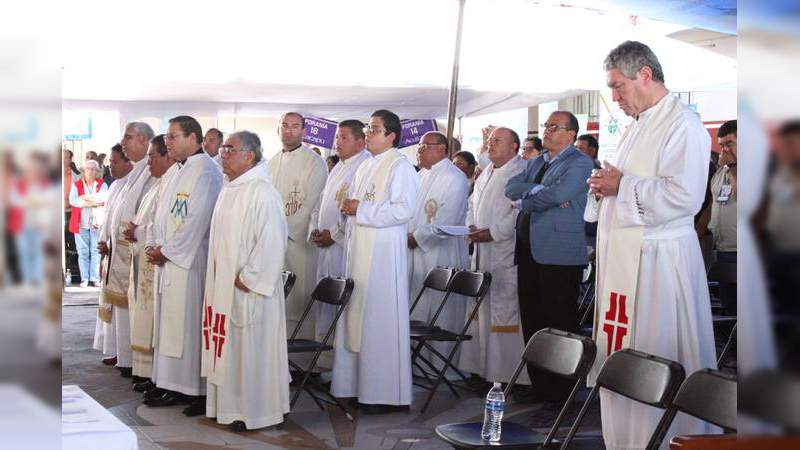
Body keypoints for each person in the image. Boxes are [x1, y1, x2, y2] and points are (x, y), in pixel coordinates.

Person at [586, 41, 718, 448]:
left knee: (655, 358)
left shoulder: (683, 124)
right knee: (624, 358)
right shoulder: (639, 124)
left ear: (644, 74)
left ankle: (666, 441)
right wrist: (604, 186)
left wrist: (621, 186)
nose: (615, 97)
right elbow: (623, 184)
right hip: (629, 260)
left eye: (617, 86)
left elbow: (685, 197)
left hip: (660, 264)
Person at [202, 131, 290, 431]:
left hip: (247, 290)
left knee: (250, 352)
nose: (223, 154)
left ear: (249, 155)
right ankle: (226, 408)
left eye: (229, 149)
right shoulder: (230, 188)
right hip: (223, 287)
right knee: (230, 351)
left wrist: (249, 278)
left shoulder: (262, 192)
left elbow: (272, 242)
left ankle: (254, 412)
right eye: (223, 148)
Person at [332, 109, 418, 413]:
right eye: (368, 128)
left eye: (375, 129)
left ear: (392, 135)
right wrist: (350, 210)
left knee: (378, 321)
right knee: (358, 317)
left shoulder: (400, 166)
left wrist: (361, 209)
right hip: (360, 250)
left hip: (382, 256)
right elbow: (354, 204)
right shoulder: (366, 166)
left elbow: (403, 210)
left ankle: (384, 393)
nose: (368, 133)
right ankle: (355, 386)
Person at [505, 112, 593, 403]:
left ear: (570, 135)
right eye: (546, 126)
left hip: (558, 253)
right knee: (533, 320)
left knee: (560, 321)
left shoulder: (579, 162)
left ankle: (564, 389)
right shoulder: (537, 162)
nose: (547, 131)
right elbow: (510, 187)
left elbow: (561, 195)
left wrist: (527, 199)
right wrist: (538, 190)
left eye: (554, 127)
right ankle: (540, 385)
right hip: (528, 249)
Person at [144, 115, 222, 417]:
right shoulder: (176, 171)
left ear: (194, 138)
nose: (168, 142)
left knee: (187, 325)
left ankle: (194, 388)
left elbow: (197, 221)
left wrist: (169, 251)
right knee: (169, 325)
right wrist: (153, 244)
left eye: (173, 136)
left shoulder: (206, 172)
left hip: (189, 263)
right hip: (168, 259)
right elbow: (159, 214)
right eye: (167, 137)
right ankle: (170, 383)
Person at [459, 127, 531, 387]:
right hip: (481, 250)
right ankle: (481, 369)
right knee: (481, 311)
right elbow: (471, 204)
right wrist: (470, 226)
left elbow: (519, 212)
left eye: (497, 141)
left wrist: (494, 232)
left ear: (514, 146)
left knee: (504, 314)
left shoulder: (522, 171)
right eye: (489, 141)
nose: (491, 145)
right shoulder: (486, 172)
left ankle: (505, 376)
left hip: (504, 251)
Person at [408, 131, 470, 377]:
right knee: (418, 307)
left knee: (440, 310)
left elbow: (448, 219)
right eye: (419, 146)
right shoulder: (420, 175)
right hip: (414, 251)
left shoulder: (455, 178)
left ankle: (441, 368)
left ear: (442, 149)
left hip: (440, 253)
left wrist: (417, 237)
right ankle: (418, 365)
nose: (419, 151)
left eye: (425, 146)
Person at [98, 122, 155, 379]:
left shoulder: (149, 171)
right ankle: (127, 358)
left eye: (128, 137)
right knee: (124, 307)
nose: (124, 142)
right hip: (124, 247)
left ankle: (135, 363)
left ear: (143, 140)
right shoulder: (137, 172)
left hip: (139, 247)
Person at [267, 112, 328, 344]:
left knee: (297, 297)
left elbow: (312, 204)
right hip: (272, 242)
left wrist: (282, 231)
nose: (289, 130)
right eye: (285, 125)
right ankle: (276, 355)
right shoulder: (271, 162)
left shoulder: (314, 162)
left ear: (304, 131)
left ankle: (302, 364)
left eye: (295, 126)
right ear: (279, 129)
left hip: (298, 241)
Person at [310, 120, 370, 354]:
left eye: (343, 137)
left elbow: (356, 210)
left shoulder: (364, 166)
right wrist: (314, 228)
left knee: (339, 302)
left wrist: (333, 235)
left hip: (342, 247)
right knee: (325, 305)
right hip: (325, 245)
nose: (338, 142)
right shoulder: (338, 166)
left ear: (360, 141)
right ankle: (321, 360)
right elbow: (322, 202)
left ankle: (335, 364)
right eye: (337, 137)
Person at [123, 135, 176, 392]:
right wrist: (135, 230)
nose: (149, 162)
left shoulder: (171, 185)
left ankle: (152, 374)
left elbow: (162, 227)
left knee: (154, 320)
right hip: (146, 258)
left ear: (167, 156)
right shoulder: (158, 184)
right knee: (144, 316)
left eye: (153, 156)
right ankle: (145, 372)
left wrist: (138, 231)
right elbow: (148, 222)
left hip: (158, 261)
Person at [93, 144, 133, 366]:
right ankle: (114, 349)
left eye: (115, 162)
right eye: (109, 162)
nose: (111, 166)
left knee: (122, 307)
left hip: (121, 254)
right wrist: (103, 241)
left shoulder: (134, 186)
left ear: (128, 163)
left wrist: (111, 243)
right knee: (111, 305)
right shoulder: (115, 186)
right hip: (109, 250)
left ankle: (124, 353)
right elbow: (109, 219)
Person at [708, 120, 737, 314]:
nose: (725, 149)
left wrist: (734, 168)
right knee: (728, 309)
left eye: (730, 143)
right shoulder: (721, 172)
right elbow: (714, 204)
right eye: (722, 145)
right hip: (722, 249)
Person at [68, 160, 107, 287]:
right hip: (80, 223)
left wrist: (85, 199)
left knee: (96, 251)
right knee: (82, 251)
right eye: (88, 169)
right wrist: (93, 202)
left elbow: (104, 199)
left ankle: (94, 278)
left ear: (97, 171)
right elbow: (73, 201)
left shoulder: (102, 184)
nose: (91, 171)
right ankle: (84, 278)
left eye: (93, 169)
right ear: (84, 171)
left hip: (97, 222)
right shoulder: (76, 184)